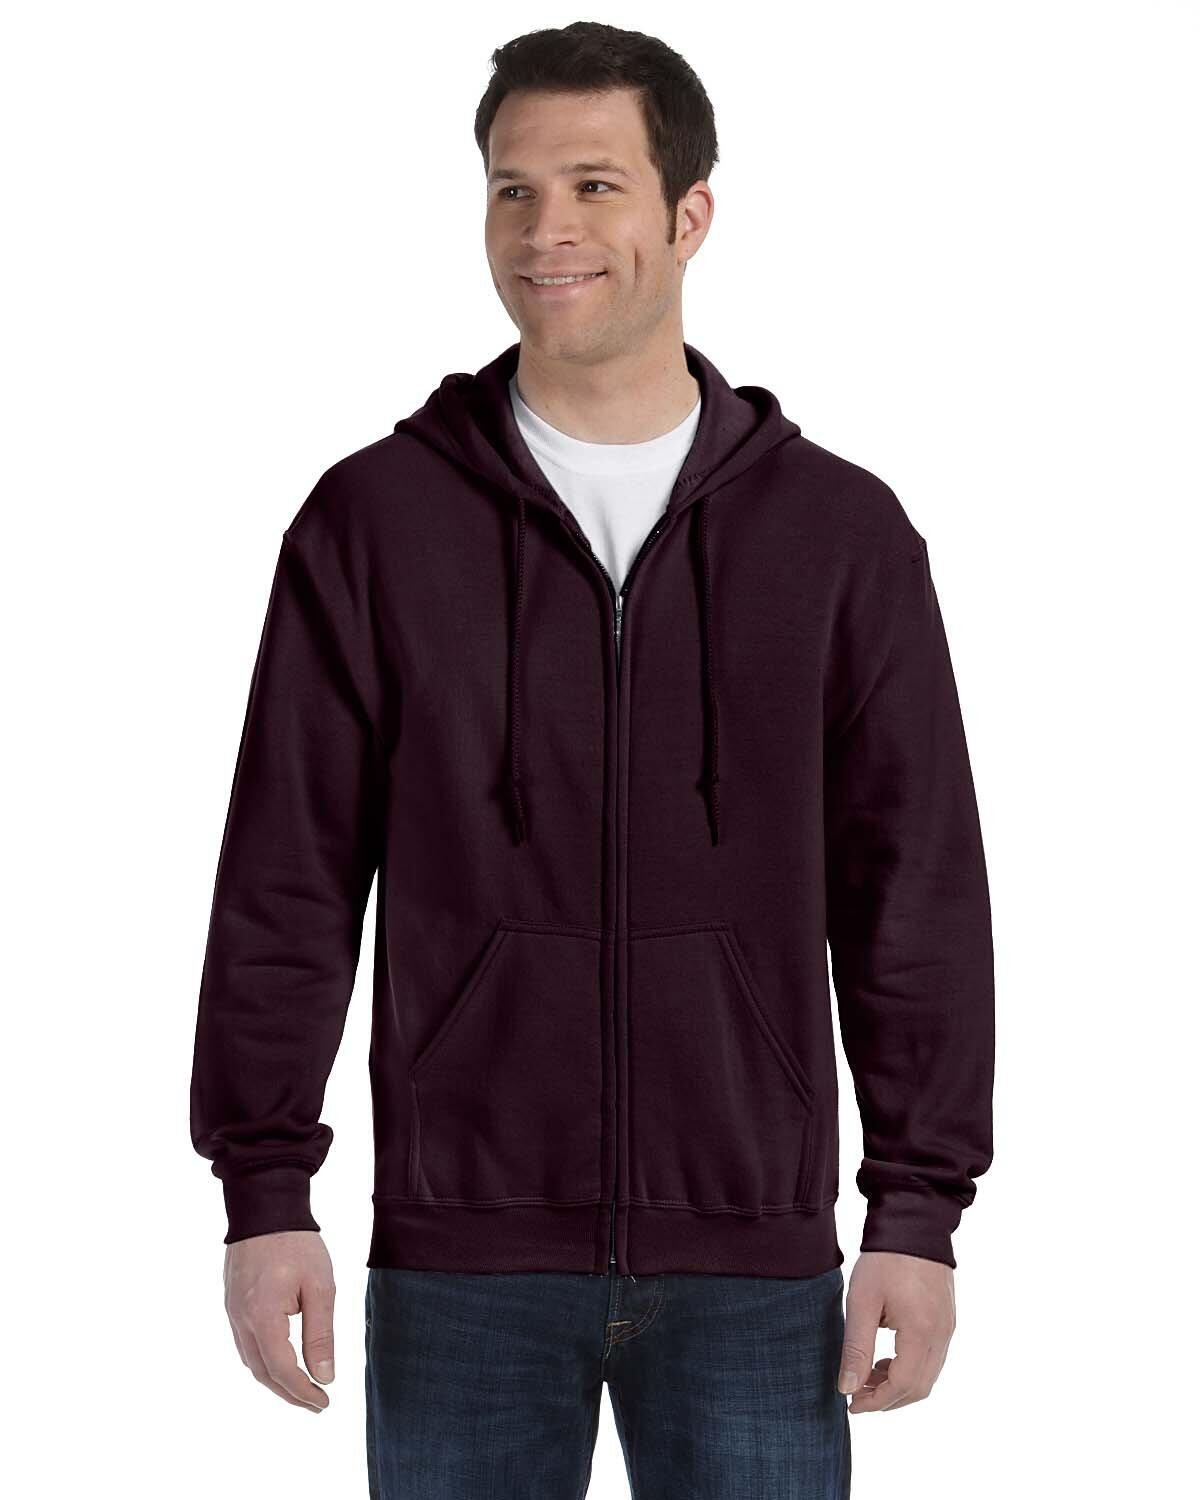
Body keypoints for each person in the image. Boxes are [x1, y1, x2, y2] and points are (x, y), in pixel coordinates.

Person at [189, 20, 994, 1499]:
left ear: (690, 214)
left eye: (594, 186)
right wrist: (265, 1190)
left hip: (756, 1263)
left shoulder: (840, 537)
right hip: (462, 1259)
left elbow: (916, 898)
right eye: (513, 190)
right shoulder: (374, 523)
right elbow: (286, 878)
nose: (544, 230)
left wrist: (917, 1211)